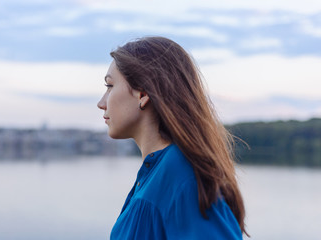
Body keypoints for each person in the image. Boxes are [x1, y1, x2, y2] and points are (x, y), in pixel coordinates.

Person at [97, 36, 247, 239]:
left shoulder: (181, 175)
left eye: (110, 86)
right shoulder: (157, 173)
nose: (101, 103)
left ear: (143, 94)